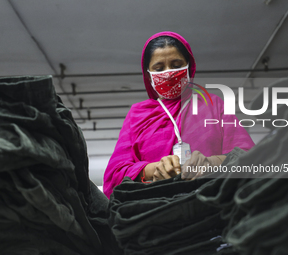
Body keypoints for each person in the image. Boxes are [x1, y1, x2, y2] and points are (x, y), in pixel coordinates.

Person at [102, 31, 254, 198]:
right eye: (159, 68)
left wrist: (213, 163)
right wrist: (152, 170)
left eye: (176, 65)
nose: (169, 74)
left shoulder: (213, 105)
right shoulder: (137, 114)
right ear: (148, 75)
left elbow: (250, 158)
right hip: (153, 212)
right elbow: (114, 175)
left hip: (212, 204)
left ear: (189, 66)